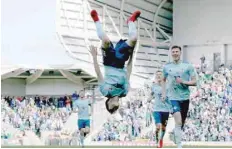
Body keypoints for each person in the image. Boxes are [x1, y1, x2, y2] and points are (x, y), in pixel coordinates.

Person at [89, 9, 141, 114]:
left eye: (111, 108)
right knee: (134, 39)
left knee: (106, 41)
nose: (114, 107)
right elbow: (128, 72)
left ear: (108, 103)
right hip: (121, 62)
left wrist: (94, 56)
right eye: (115, 109)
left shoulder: (105, 91)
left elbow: (98, 73)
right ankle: (130, 21)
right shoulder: (124, 92)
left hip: (109, 62)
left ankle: (96, 21)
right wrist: (132, 54)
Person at [162, 45, 197, 148]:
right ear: (171, 54)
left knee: (181, 123)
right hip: (173, 98)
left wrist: (184, 82)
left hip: (185, 97)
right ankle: (179, 145)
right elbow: (163, 80)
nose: (175, 53)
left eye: (177, 52)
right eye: (173, 52)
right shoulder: (167, 67)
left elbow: (195, 82)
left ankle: (175, 135)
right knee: (178, 121)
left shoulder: (188, 66)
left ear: (180, 53)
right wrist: (164, 93)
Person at [151, 70, 172, 148]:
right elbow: (151, 93)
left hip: (166, 110)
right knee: (158, 126)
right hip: (156, 110)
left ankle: (160, 140)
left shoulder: (167, 86)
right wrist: (149, 98)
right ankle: (157, 141)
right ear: (156, 76)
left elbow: (170, 97)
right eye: (157, 75)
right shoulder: (153, 86)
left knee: (163, 128)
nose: (159, 76)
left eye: (160, 74)